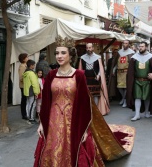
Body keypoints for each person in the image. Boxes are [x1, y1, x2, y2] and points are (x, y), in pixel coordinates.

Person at [34, 36, 135, 167]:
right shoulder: (52, 75)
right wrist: (42, 123)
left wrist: (85, 129)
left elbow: (84, 104)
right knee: (51, 148)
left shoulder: (79, 75)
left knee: (73, 149)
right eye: (57, 53)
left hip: (73, 121)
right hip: (53, 121)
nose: (59, 56)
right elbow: (46, 101)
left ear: (71, 55)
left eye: (63, 52)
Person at [78, 43, 109, 115]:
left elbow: (101, 69)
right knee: (87, 95)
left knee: (95, 95)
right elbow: (80, 70)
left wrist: (98, 75)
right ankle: (89, 110)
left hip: (95, 80)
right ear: (86, 49)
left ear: (93, 48)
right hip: (86, 80)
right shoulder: (82, 58)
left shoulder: (98, 57)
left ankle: (96, 111)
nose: (89, 49)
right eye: (87, 48)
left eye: (90, 47)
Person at [127, 41, 152, 121]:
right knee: (137, 97)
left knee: (147, 97)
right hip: (137, 81)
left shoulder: (150, 57)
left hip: (147, 81)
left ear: (146, 47)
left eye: (142, 46)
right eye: (139, 46)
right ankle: (137, 114)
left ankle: (147, 113)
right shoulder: (134, 57)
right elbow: (131, 71)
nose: (140, 48)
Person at [116, 40, 135, 108]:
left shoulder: (131, 53)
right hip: (119, 72)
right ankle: (123, 98)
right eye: (124, 43)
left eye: (126, 43)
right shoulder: (119, 52)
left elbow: (132, 63)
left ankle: (124, 100)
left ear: (129, 44)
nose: (125, 44)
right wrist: (113, 70)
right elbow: (116, 62)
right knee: (119, 87)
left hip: (126, 72)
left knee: (126, 87)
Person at [23, 60, 40, 124]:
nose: (34, 66)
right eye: (34, 65)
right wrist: (36, 92)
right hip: (31, 91)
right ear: (31, 65)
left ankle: (28, 116)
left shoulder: (26, 72)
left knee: (28, 104)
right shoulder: (31, 73)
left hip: (27, 91)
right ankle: (31, 118)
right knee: (32, 104)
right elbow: (35, 83)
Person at [18, 53, 28, 120]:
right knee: (24, 100)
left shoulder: (25, 65)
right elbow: (21, 77)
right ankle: (24, 114)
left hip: (26, 85)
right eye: (27, 57)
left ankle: (25, 113)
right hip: (23, 85)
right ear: (23, 59)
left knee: (25, 99)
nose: (28, 58)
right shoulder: (22, 66)